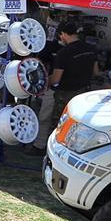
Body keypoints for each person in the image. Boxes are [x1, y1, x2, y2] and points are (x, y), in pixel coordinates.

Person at [31, 20, 99, 153]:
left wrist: (42, 81)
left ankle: (41, 147)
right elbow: (96, 72)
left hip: (63, 94)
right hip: (83, 94)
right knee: (75, 125)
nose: (60, 38)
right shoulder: (91, 49)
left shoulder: (64, 53)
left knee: (48, 120)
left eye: (60, 35)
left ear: (63, 34)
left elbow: (56, 79)